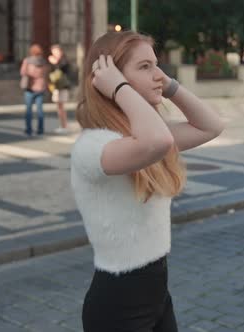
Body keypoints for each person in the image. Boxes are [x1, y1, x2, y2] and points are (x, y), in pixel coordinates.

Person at [72, 31, 224, 332]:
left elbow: (211, 126)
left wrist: (169, 86)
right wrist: (118, 87)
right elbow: (157, 141)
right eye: (145, 67)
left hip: (157, 294)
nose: (158, 75)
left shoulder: (138, 137)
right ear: (108, 76)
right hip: (117, 306)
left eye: (158, 65)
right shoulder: (93, 146)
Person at [20, 44, 47, 136]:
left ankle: (28, 130)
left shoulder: (27, 61)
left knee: (28, 110)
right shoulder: (43, 62)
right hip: (40, 87)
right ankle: (40, 130)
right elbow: (45, 73)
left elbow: (23, 72)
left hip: (30, 88)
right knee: (40, 110)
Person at [48, 44, 71, 134]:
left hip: (63, 86)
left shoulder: (64, 60)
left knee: (61, 107)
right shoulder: (54, 60)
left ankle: (64, 126)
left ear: (60, 51)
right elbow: (51, 72)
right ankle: (62, 125)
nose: (54, 53)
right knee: (59, 107)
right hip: (56, 86)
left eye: (56, 51)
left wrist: (55, 63)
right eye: (53, 51)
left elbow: (64, 70)